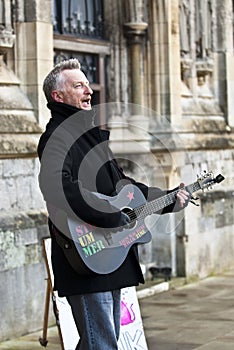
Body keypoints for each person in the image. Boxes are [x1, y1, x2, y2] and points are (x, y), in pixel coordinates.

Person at [37, 58, 190, 350]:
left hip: (108, 257)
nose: (89, 91)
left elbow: (126, 191)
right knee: (101, 344)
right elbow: (57, 187)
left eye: (87, 84)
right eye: (78, 85)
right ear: (58, 96)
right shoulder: (57, 136)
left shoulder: (88, 137)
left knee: (104, 342)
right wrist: (108, 215)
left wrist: (170, 198)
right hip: (86, 255)